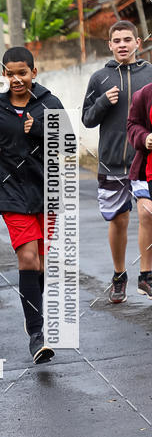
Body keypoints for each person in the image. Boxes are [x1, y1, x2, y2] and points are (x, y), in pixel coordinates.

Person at [0, 47, 64, 365]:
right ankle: (36, 334)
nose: (17, 79)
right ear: (4, 74)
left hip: (47, 191)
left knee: (41, 263)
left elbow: (67, 142)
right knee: (27, 258)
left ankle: (37, 310)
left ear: (34, 72)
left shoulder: (50, 103)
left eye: (22, 73)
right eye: (11, 73)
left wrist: (39, 129)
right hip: (13, 194)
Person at [82, 20, 152, 303]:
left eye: (127, 39)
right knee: (118, 220)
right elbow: (87, 119)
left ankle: (146, 276)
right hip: (111, 162)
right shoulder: (100, 78)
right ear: (109, 45)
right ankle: (119, 275)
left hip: (145, 161)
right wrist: (102, 102)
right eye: (117, 40)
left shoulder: (150, 75)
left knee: (147, 214)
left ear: (138, 42)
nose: (122, 44)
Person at [126, 83, 152, 297]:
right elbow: (132, 125)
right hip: (146, 170)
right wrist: (145, 138)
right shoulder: (144, 94)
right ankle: (146, 275)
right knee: (146, 214)